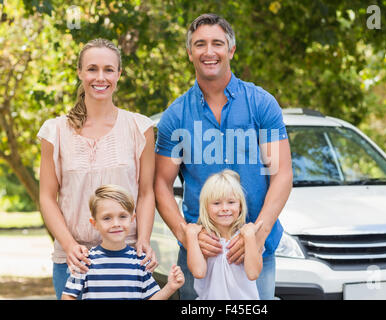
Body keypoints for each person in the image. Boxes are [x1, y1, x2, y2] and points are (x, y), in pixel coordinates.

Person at [154, 13, 293, 300]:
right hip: (201, 255)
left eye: (217, 43)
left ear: (231, 50)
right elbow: (161, 184)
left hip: (256, 253)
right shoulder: (176, 115)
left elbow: (282, 174)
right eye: (200, 44)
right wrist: (186, 234)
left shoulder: (261, 104)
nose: (209, 52)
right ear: (190, 52)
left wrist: (259, 234)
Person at [38, 38, 158, 299]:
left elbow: (146, 192)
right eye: (92, 69)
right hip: (74, 262)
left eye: (108, 70)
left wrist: (144, 239)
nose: (100, 77)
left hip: (126, 259)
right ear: (80, 72)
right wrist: (69, 246)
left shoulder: (140, 128)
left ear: (119, 74)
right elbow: (47, 197)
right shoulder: (54, 131)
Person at [61, 185, 184, 300]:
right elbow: (68, 296)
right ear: (95, 224)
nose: (116, 224)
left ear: (132, 219)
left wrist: (170, 287)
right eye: (107, 218)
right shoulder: (86, 262)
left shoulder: (139, 262)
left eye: (122, 216)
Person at [181, 170, 263, 300]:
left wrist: (249, 237)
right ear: (206, 207)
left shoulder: (247, 236)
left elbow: (253, 273)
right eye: (216, 203)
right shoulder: (203, 239)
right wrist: (190, 235)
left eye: (231, 202)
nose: (224, 208)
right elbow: (198, 272)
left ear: (240, 206)